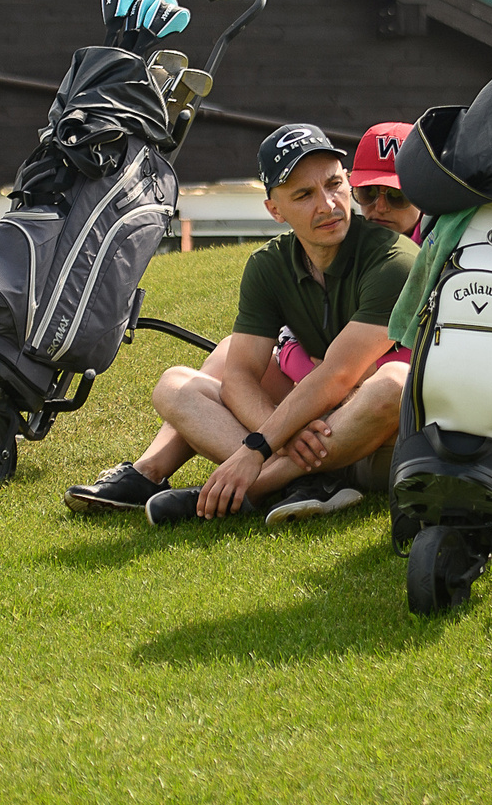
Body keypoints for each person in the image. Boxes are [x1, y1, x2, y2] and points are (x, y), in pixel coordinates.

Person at [64, 119, 422, 517]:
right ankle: (301, 481)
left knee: (393, 384)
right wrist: (280, 436)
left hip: (376, 441)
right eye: (304, 194)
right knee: (173, 385)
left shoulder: (397, 259)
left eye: (334, 185)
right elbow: (239, 377)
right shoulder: (269, 265)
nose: (327, 205)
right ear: (274, 209)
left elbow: (338, 374)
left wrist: (257, 450)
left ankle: (248, 490)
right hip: (321, 432)